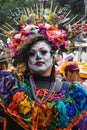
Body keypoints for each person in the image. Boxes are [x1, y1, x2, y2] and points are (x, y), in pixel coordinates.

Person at [64, 62, 87, 130]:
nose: (79, 75)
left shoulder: (59, 85)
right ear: (69, 73)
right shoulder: (75, 86)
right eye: (76, 73)